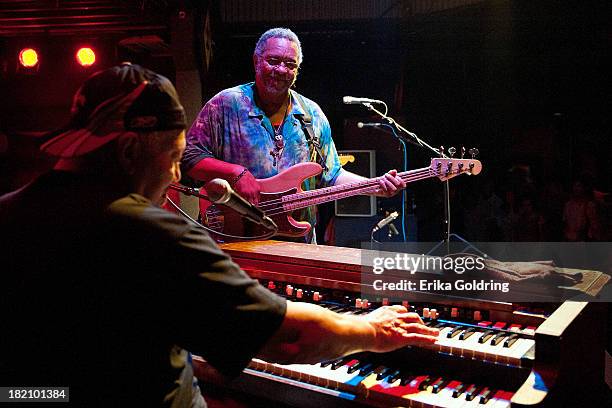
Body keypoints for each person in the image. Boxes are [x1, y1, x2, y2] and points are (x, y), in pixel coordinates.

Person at [0, 63, 438, 406]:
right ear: (130, 150)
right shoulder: (148, 233)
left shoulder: (9, 211)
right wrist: (371, 329)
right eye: (171, 159)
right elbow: (289, 337)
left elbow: (330, 174)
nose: (176, 173)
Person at [182, 27, 406, 243]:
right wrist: (236, 173)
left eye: (290, 65)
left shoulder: (312, 115)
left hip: (296, 242)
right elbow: (188, 157)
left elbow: (332, 175)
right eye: (273, 61)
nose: (281, 70)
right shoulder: (226, 104)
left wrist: (374, 186)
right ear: (256, 61)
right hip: (237, 240)